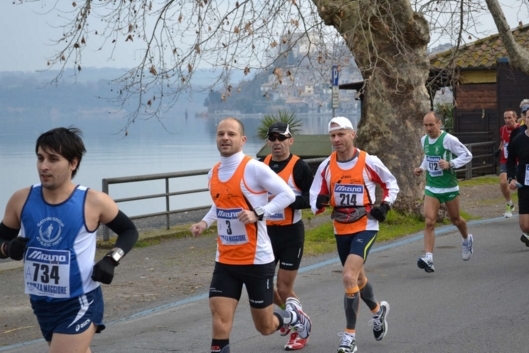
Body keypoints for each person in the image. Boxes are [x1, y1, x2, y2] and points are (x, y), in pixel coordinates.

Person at [0, 127, 139, 353]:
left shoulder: (93, 201)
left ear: (73, 163)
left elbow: (129, 231)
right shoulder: (21, 199)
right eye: (40, 158)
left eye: (53, 159)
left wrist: (111, 259)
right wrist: (7, 248)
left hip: (80, 301)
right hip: (41, 303)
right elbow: (1, 240)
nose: (44, 166)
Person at [190, 117, 312, 353]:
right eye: (220, 134)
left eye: (231, 134)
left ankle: (294, 319)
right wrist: (204, 223)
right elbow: (220, 205)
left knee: (265, 327)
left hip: (256, 260)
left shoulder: (254, 168)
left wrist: (259, 212)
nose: (225, 138)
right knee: (220, 322)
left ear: (242, 140)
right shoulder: (212, 173)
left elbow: (287, 195)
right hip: (225, 260)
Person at [310, 116, 399, 353]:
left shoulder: (369, 161)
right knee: (358, 280)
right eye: (333, 136)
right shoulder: (327, 166)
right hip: (341, 227)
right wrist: (319, 202)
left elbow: (392, 184)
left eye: (341, 134)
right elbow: (315, 196)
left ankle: (349, 336)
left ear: (353, 135)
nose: (337, 139)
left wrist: (386, 205)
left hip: (366, 226)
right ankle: (378, 311)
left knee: (348, 277)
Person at [259, 122, 314, 350]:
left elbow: (312, 199)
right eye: (273, 138)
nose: (277, 143)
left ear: (290, 140)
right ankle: (291, 317)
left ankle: (299, 330)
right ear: (269, 142)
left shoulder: (299, 166)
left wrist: (287, 200)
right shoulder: (262, 165)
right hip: (266, 234)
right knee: (262, 285)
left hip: (291, 234)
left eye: (282, 138)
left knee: (283, 288)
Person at [414, 112, 473, 273]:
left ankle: (466, 239)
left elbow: (467, 155)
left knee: (456, 220)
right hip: (432, 187)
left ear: (439, 123)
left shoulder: (449, 140)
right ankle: (429, 258)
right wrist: (422, 168)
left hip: (449, 187)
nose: (428, 128)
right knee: (429, 221)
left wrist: (451, 163)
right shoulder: (424, 140)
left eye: (431, 125)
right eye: (425, 125)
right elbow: (428, 157)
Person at [506, 109, 529, 247]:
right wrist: (511, 178)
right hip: (525, 185)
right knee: (525, 226)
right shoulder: (518, 140)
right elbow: (510, 162)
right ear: (524, 120)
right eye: (528, 117)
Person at [496, 109, 519, 217]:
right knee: (503, 182)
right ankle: (509, 204)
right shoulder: (502, 129)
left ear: (515, 117)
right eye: (505, 118)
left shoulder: (521, 129)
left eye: (510, 117)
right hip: (506, 159)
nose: (507, 120)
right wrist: (499, 150)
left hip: (519, 160)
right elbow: (503, 141)